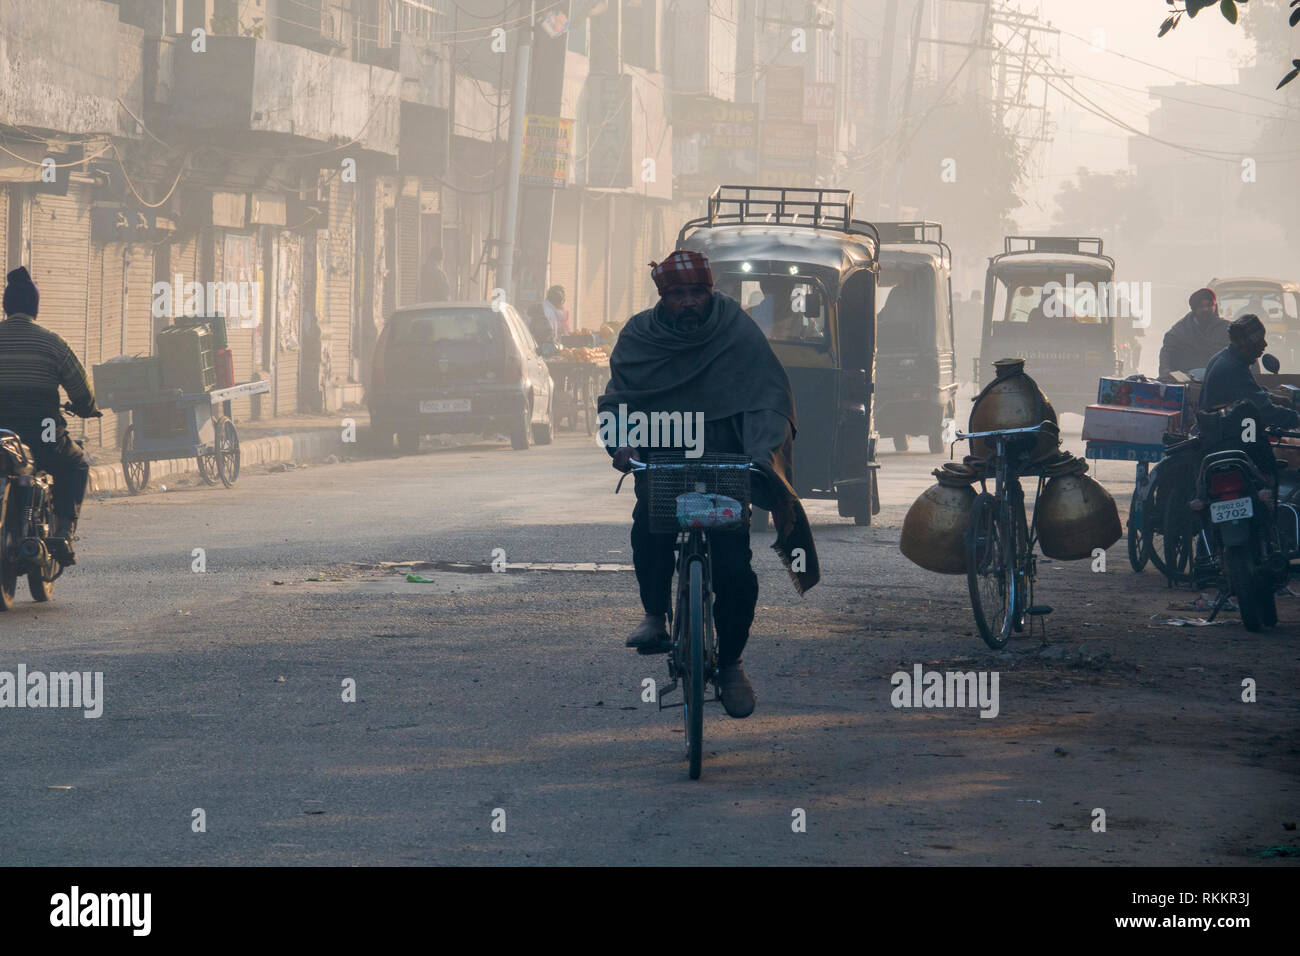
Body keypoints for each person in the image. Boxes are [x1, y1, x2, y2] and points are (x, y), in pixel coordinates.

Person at [599, 250, 820, 719]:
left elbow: (768, 396)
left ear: (710, 290)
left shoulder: (736, 329)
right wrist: (623, 446)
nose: (688, 302)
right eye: (677, 294)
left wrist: (762, 453)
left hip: (726, 461)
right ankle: (655, 616)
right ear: (663, 297)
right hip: (662, 457)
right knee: (648, 527)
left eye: (696, 291)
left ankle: (733, 664)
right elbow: (619, 399)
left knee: (736, 572)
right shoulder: (639, 335)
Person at [0, 267, 98, 565]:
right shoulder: (52, 343)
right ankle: (64, 531)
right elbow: (81, 391)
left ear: (6, 305)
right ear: (35, 307)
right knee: (77, 463)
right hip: (41, 433)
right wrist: (86, 407)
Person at [1200, 313, 1299, 430]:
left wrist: (1273, 397)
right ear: (1246, 344)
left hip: (1220, 431)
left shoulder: (1225, 357)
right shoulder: (1233, 369)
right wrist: (1297, 419)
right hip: (1227, 438)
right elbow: (1265, 412)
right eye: (1259, 340)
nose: (1265, 344)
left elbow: (1249, 393)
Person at [1159, 288, 1230, 378]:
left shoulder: (1227, 329)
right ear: (1194, 309)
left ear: (1215, 306)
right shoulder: (1181, 329)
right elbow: (1167, 351)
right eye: (1201, 306)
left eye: (1209, 305)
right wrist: (1166, 372)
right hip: (1188, 379)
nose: (1205, 309)